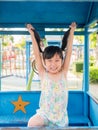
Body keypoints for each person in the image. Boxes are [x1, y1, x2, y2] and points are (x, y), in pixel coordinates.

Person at [26, 22, 76, 128]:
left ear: (62, 61)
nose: (53, 64)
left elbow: (69, 51)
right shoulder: (43, 74)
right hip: (45, 116)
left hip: (61, 118)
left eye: (57, 60)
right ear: (44, 62)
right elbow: (36, 52)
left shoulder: (64, 72)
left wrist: (72, 32)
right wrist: (32, 34)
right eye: (49, 60)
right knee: (32, 123)